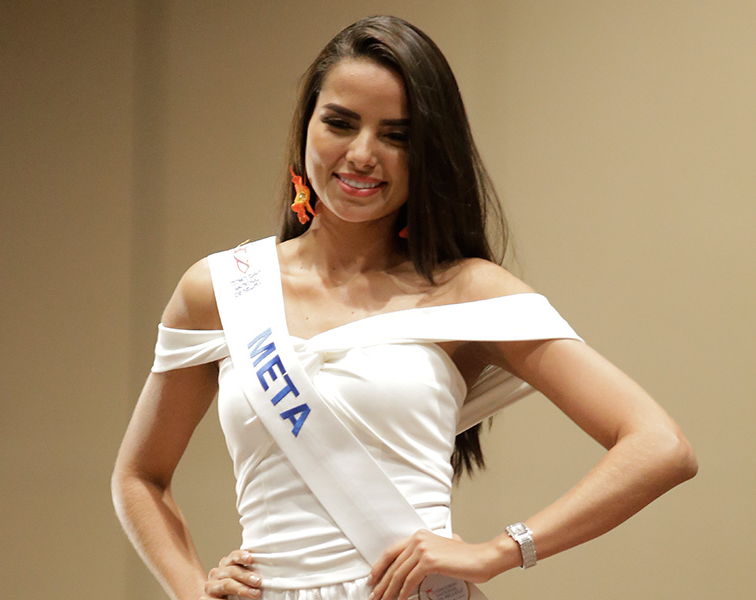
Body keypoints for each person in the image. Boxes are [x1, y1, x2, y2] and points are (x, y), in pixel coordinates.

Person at [111, 15, 697, 600]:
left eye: (396, 135)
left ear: (429, 153)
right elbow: (140, 476)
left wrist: (499, 550)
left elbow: (660, 446)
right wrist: (191, 591)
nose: (362, 154)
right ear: (305, 129)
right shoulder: (223, 289)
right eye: (339, 123)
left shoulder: (468, 292)